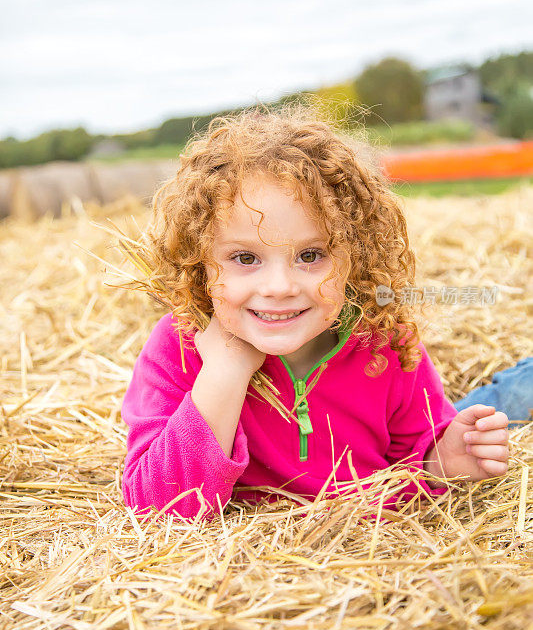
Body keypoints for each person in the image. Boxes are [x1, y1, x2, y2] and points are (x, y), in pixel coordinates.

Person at [121, 104, 526, 523]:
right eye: (245, 257)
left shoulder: (384, 341)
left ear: (356, 256)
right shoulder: (179, 348)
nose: (279, 287)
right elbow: (157, 509)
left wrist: (438, 464)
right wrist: (224, 373)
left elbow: (411, 463)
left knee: (507, 404)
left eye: (310, 255)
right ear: (198, 261)